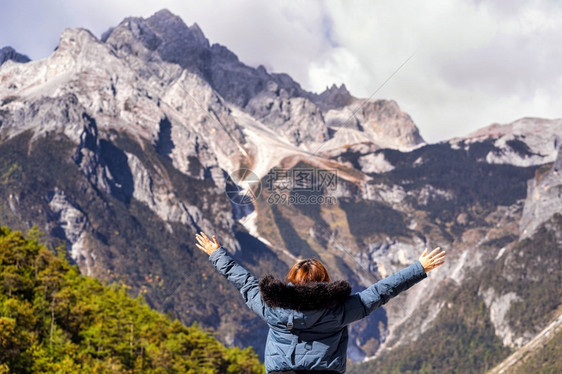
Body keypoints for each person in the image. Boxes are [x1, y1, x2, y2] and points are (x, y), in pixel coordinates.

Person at [195, 231, 446, 374]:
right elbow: (381, 291)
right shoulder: (341, 310)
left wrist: (217, 254)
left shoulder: (271, 306)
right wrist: (418, 268)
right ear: (324, 280)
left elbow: (245, 282)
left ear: (291, 280)